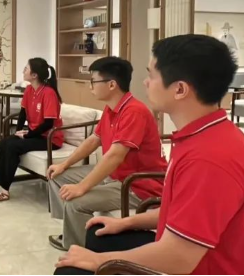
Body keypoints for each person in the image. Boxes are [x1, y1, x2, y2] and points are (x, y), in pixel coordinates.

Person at [55, 35, 244, 275]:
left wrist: (98, 261)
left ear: (179, 89)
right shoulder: (212, 133)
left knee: (71, 271)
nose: (145, 83)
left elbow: (179, 258)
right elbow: (181, 214)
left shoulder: (206, 159)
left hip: (207, 266)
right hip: (196, 253)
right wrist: (126, 222)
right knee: (98, 235)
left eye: (152, 75)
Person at [46, 56, 167, 251]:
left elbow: (115, 156)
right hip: (115, 175)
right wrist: (63, 165)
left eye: (93, 81)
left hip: (137, 185)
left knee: (76, 201)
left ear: (111, 84)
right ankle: (71, 230)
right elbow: (93, 140)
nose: (90, 86)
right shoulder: (111, 110)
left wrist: (81, 187)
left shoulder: (134, 111)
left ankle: (78, 249)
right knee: (56, 176)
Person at [0, 57, 63, 203]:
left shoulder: (49, 93)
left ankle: (4, 191)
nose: (23, 71)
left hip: (50, 138)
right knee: (4, 143)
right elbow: (23, 113)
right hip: (35, 134)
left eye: (26, 69)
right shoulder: (29, 89)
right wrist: (17, 132)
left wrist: (28, 135)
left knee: (12, 147)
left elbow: (48, 124)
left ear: (34, 75)